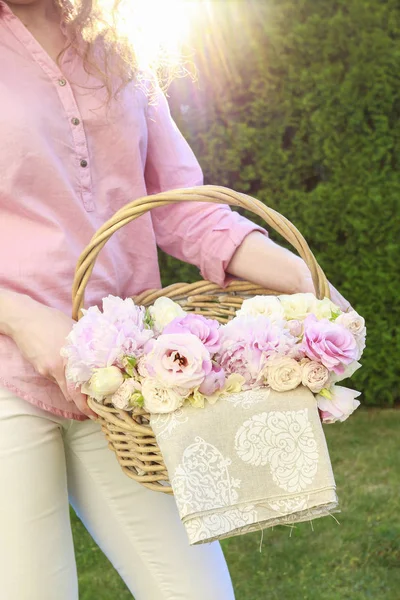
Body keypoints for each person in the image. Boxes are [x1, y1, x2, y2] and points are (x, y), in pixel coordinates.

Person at [0, 1, 350, 599]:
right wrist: (20, 314)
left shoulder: (112, 44)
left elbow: (185, 207)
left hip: (121, 377)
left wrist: (302, 278)